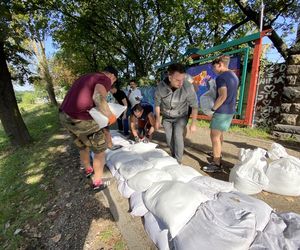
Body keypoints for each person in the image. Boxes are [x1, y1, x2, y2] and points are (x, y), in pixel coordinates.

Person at [59, 66, 118, 190]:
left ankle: (88, 170)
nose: (111, 84)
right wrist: (110, 116)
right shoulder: (105, 79)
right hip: (81, 118)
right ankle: (97, 182)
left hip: (65, 116)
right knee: (100, 150)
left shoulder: (87, 76)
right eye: (114, 81)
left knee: (82, 145)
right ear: (112, 76)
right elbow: (98, 97)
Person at [155, 63, 198, 164]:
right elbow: (157, 104)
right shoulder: (160, 87)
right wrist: (157, 120)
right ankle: (173, 155)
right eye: (177, 80)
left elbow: (195, 105)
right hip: (166, 117)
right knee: (169, 138)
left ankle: (178, 161)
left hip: (181, 116)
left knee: (178, 136)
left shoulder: (187, 87)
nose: (181, 83)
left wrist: (193, 123)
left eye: (182, 79)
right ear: (170, 77)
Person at [202, 55, 239, 173]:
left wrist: (213, 109)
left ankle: (216, 164)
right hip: (230, 110)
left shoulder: (221, 77)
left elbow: (223, 95)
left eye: (214, 67)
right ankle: (217, 153)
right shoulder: (233, 75)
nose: (214, 70)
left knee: (214, 137)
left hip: (221, 110)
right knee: (219, 135)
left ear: (220, 65)